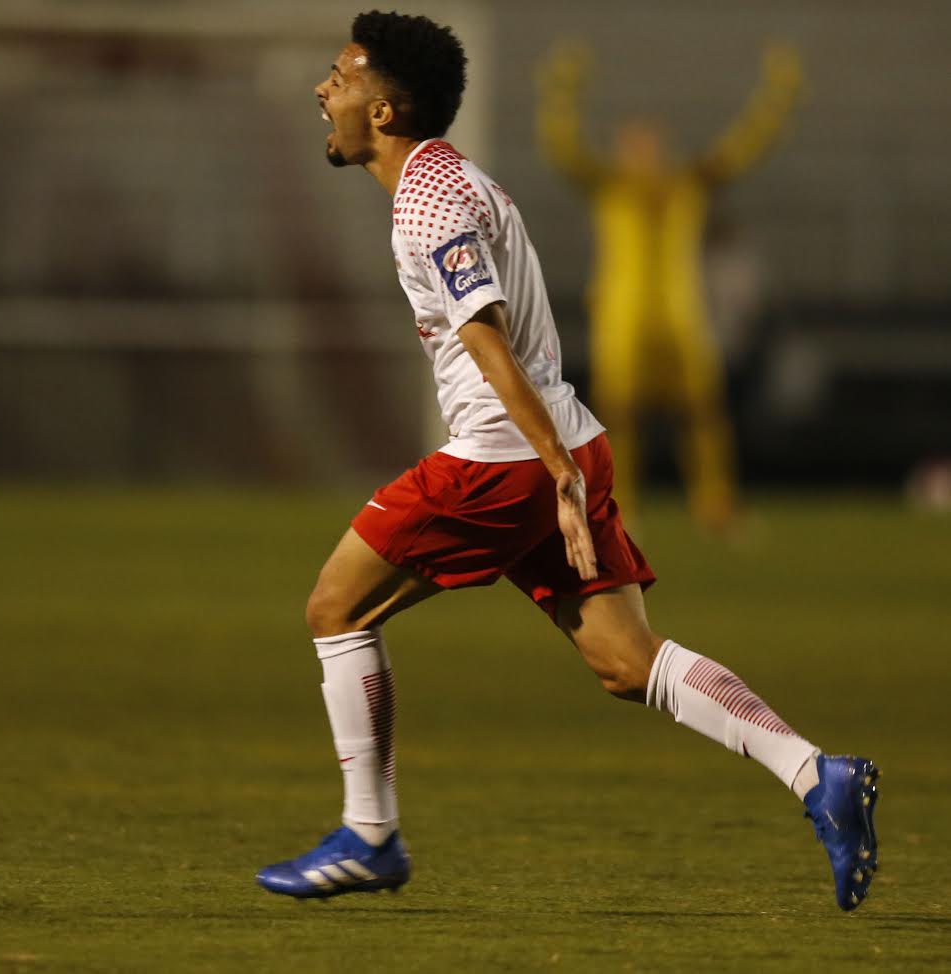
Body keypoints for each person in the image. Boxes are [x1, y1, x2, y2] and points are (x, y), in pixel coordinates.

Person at [256, 11, 877, 911]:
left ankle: (371, 836)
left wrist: (553, 474)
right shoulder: (453, 179)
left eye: (341, 78)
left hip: (506, 458)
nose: (325, 90)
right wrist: (562, 461)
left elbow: (488, 339)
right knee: (628, 662)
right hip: (563, 439)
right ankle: (817, 772)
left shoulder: (429, 200)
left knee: (334, 607)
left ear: (385, 109)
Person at [535, 41, 803, 533]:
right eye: (635, 144)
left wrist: (777, 94)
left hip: (683, 314)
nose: (645, 153)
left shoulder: (688, 185)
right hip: (623, 316)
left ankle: (715, 504)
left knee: (703, 411)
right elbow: (564, 148)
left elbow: (745, 147)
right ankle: (620, 505)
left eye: (651, 144)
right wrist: (562, 91)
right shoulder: (609, 186)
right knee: (620, 415)